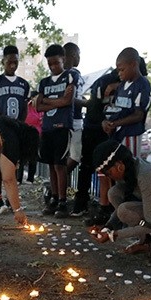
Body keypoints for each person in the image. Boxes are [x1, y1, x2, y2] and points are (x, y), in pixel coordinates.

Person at [95, 49, 151, 224]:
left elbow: (138, 115)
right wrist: (107, 122)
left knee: (129, 173)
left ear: (134, 65)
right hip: (118, 135)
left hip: (131, 135)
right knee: (114, 174)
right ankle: (117, 211)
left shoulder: (142, 84)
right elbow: (117, 110)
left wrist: (116, 124)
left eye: (122, 69)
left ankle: (133, 212)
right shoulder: (121, 86)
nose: (119, 73)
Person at [0, 45, 31, 212]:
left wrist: (20, 125)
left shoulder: (24, 84)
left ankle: (10, 200)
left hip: (16, 129)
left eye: (15, 61)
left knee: (12, 166)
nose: (13, 64)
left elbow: (25, 107)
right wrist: (2, 123)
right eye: (9, 61)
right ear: (3, 61)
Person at [35, 44, 76, 217]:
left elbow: (68, 101)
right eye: (50, 64)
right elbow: (37, 106)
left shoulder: (70, 76)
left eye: (56, 63)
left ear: (64, 59)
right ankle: (53, 197)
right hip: (47, 128)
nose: (53, 67)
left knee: (60, 165)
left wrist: (48, 101)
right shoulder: (44, 82)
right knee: (51, 165)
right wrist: (58, 100)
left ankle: (62, 201)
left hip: (62, 127)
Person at [78, 69, 118, 221]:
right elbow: (93, 106)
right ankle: (98, 206)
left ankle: (110, 208)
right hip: (94, 129)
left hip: (108, 131)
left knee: (108, 170)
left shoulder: (127, 85)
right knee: (98, 169)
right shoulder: (103, 82)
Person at [63, 42, 86, 217]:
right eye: (77, 54)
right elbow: (71, 99)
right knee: (75, 157)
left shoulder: (67, 75)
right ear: (71, 56)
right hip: (74, 122)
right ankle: (60, 183)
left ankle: (62, 189)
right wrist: (88, 103)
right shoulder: (71, 75)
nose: (79, 58)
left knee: (70, 157)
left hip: (70, 121)